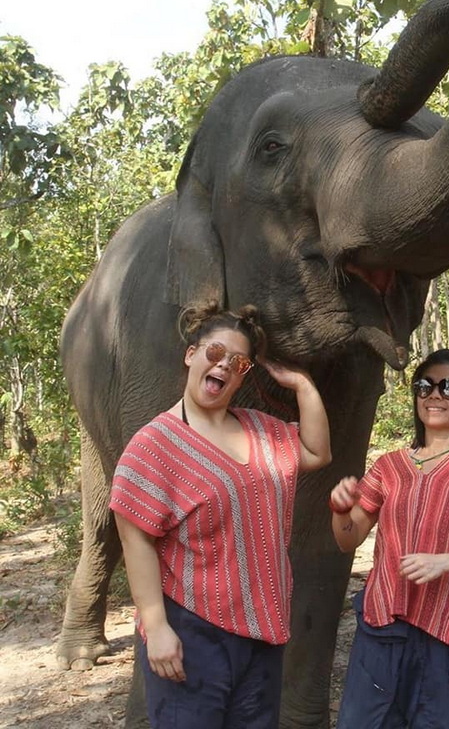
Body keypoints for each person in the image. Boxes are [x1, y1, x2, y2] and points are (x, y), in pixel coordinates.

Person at [109, 301, 331, 729]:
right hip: (193, 633)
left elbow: (316, 452)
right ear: (191, 354)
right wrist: (155, 627)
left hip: (263, 631)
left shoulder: (260, 428)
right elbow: (135, 539)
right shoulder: (154, 446)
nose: (224, 366)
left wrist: (303, 386)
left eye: (238, 362)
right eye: (214, 353)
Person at [329, 348, 449, 728]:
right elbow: (347, 540)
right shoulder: (389, 466)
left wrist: (447, 561)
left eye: (448, 387)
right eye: (425, 386)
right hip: (382, 628)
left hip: (447, 635)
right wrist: (340, 511)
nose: (434, 395)